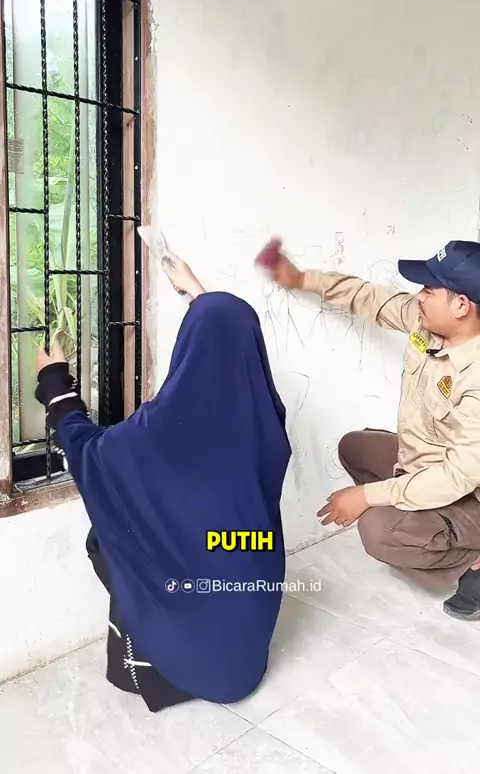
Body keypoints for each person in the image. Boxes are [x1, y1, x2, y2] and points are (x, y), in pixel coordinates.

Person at [34, 254, 291, 710]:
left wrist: (55, 384)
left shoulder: (163, 428)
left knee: (113, 533)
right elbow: (226, 337)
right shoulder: (267, 419)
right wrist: (199, 295)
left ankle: (155, 663)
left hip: (203, 661)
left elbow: (90, 453)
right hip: (249, 631)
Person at [268, 239, 480, 620]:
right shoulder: (428, 323)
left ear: (461, 305)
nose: (418, 296)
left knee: (376, 529)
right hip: (428, 463)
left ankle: (472, 557)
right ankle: (422, 514)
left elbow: (457, 476)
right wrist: (301, 279)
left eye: (429, 290)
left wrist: (368, 496)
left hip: (469, 491)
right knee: (354, 448)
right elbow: (372, 299)